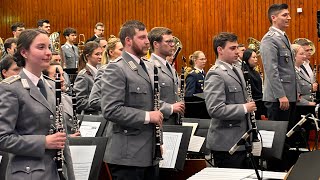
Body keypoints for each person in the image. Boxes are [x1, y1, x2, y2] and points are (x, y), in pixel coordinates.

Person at [0, 29, 74, 180]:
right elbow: (3, 138)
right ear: (24, 52)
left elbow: (62, 140)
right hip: (27, 174)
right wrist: (43, 142)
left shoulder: (53, 86)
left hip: (57, 173)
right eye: (41, 47)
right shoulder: (11, 88)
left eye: (49, 47)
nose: (48, 53)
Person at [101, 20, 163, 180]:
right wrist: (148, 117)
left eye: (147, 37)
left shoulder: (149, 67)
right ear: (128, 40)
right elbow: (111, 110)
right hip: (128, 157)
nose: (147, 41)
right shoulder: (116, 68)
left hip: (150, 154)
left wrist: (158, 142)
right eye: (142, 37)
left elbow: (151, 104)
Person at [204, 32, 256, 168]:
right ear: (220, 50)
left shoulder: (237, 69)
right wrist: (244, 108)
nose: (237, 52)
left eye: (237, 47)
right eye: (232, 48)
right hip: (226, 143)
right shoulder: (216, 73)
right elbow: (215, 109)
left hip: (242, 140)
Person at [260, 3, 297, 122]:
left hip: (288, 96)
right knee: (278, 137)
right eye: (285, 15)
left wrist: (297, 92)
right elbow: (271, 70)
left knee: (288, 136)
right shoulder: (269, 39)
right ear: (273, 18)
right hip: (278, 98)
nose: (289, 18)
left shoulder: (283, 37)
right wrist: (281, 95)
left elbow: (289, 68)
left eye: (289, 15)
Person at [148, 27, 185, 125]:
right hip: (160, 123)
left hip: (173, 122)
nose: (173, 45)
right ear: (156, 44)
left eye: (172, 41)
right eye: (168, 42)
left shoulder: (169, 66)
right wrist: (171, 108)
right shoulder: (150, 66)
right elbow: (148, 99)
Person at [43, 61, 81, 135]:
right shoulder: (45, 100)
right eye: (57, 76)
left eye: (62, 75)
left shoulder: (67, 98)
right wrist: (69, 137)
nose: (62, 79)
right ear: (46, 79)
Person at [89, 35, 123, 111]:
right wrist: (115, 105)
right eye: (121, 50)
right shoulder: (104, 71)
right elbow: (94, 101)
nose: (125, 53)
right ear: (111, 52)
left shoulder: (128, 70)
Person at [73, 41, 102, 114]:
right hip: (92, 115)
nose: (100, 57)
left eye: (101, 54)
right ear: (88, 56)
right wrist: (101, 104)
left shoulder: (101, 71)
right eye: (97, 54)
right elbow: (79, 102)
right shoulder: (83, 75)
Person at [242, 49, 265, 119]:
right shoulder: (245, 72)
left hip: (258, 101)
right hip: (253, 102)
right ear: (247, 58)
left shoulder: (255, 72)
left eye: (256, 57)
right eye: (253, 57)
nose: (256, 59)